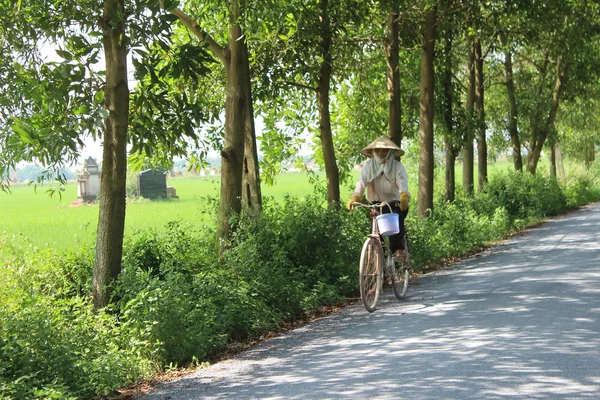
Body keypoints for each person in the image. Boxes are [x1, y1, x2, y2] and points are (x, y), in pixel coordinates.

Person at [346, 136, 411, 259]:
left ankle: (399, 250)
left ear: (389, 152)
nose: (381, 153)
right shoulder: (368, 166)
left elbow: (403, 183)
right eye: (378, 150)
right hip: (377, 204)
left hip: (395, 203)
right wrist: (355, 197)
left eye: (384, 150)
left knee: (394, 229)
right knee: (376, 233)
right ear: (372, 152)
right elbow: (361, 182)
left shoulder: (397, 167)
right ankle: (379, 263)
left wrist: (404, 196)